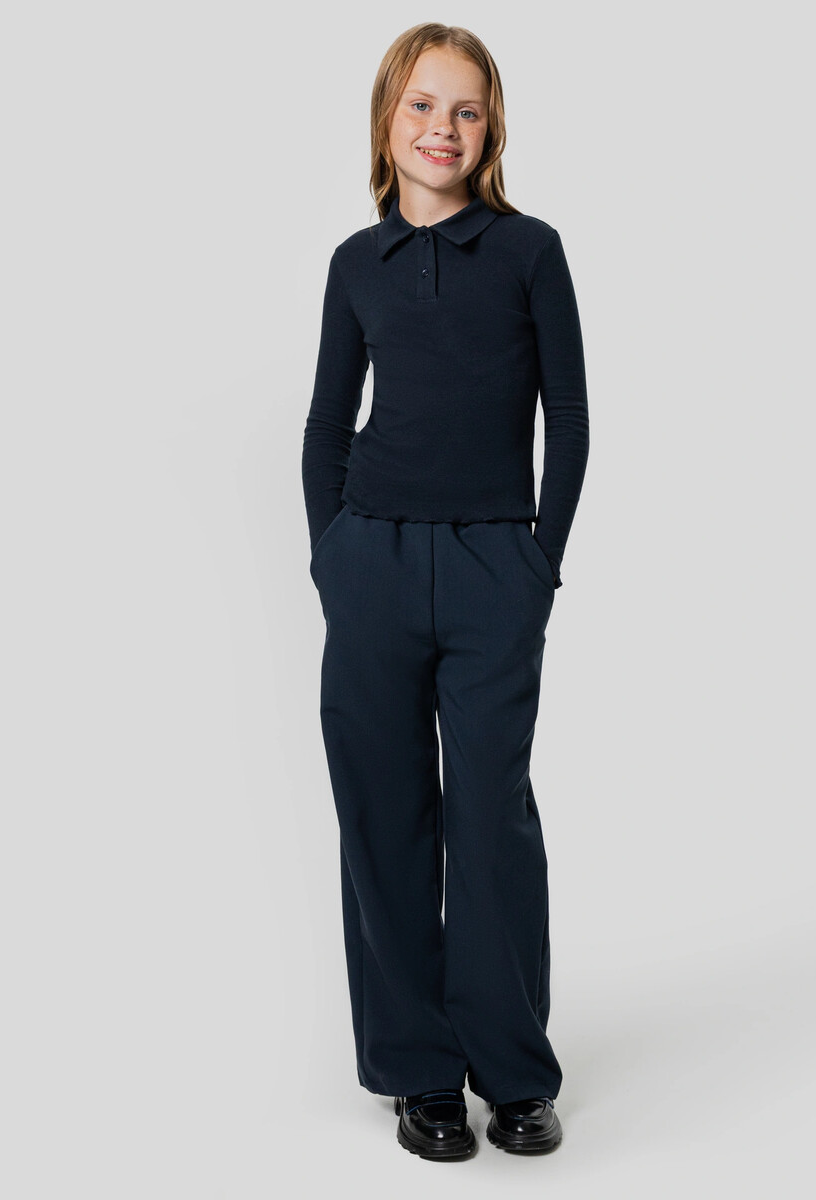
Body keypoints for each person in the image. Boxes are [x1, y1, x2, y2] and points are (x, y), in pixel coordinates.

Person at [301, 22, 589, 1160]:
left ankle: (513, 1072)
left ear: (491, 129)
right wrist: (331, 554)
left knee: (489, 818)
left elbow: (569, 417)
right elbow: (328, 424)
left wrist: (537, 562)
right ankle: (419, 1072)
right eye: (423, 105)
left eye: (466, 110)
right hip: (371, 562)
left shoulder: (529, 252)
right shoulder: (354, 264)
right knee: (382, 816)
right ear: (388, 120)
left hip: (491, 570)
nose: (443, 128)